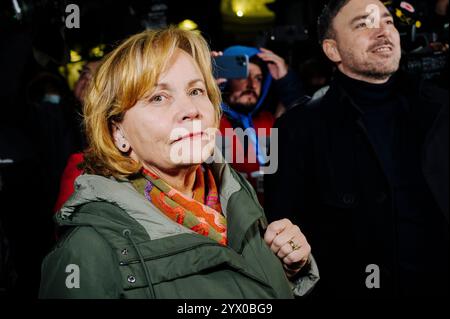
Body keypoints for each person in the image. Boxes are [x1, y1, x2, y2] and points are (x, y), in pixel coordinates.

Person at [39, 27, 319, 299]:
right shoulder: (87, 250)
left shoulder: (235, 194)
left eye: (196, 91)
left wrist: (285, 270)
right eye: (158, 97)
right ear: (118, 132)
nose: (191, 110)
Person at [265, 0, 448, 297]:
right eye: (363, 24)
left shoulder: (440, 109)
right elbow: (285, 236)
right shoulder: (295, 130)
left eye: (388, 22)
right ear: (332, 50)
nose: (382, 32)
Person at [217, 46, 305, 205]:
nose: (252, 84)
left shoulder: (269, 121)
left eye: (258, 78)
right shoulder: (207, 122)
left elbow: (304, 123)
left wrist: (287, 82)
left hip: (269, 221)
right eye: (242, 76)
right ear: (225, 78)